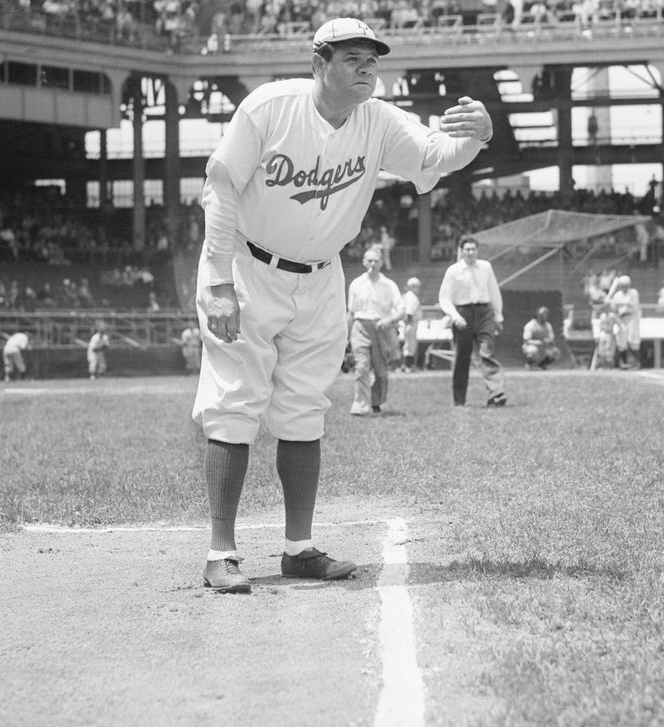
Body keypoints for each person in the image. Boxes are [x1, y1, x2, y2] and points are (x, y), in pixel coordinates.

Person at [191, 17, 493, 594]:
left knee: (305, 407)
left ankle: (298, 549)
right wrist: (217, 280)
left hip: (324, 276)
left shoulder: (377, 118)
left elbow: (433, 154)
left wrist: (478, 136)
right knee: (233, 403)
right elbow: (221, 184)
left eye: (372, 59)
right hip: (250, 269)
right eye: (352, 58)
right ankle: (221, 552)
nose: (367, 69)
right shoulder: (269, 108)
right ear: (319, 63)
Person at [438, 235, 506, 407]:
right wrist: (455, 316)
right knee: (462, 358)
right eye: (467, 249)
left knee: (487, 351)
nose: (470, 252)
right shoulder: (453, 271)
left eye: (473, 249)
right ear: (461, 251)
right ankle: (459, 400)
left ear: (477, 250)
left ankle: (496, 393)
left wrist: (498, 316)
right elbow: (444, 298)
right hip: (463, 314)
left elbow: (494, 291)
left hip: (484, 313)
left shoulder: (486, 267)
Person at [346, 246, 403, 415]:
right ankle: (360, 406)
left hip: (381, 328)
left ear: (381, 263)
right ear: (364, 262)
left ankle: (376, 402)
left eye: (376, 261)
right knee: (362, 367)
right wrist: (346, 336)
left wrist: (389, 320)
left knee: (381, 372)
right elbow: (351, 312)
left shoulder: (389, 285)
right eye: (369, 260)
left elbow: (401, 310)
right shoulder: (356, 284)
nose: (372, 264)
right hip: (360, 327)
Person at [607, 274, 641, 369]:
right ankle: (624, 363)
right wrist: (608, 302)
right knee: (621, 342)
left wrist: (613, 301)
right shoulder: (617, 294)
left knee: (632, 340)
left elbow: (630, 303)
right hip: (621, 319)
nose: (624, 288)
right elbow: (614, 308)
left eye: (626, 286)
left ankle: (636, 363)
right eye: (623, 286)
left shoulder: (634, 293)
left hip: (632, 318)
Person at [399, 276, 422, 372]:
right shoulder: (411, 297)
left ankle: (405, 365)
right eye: (417, 286)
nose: (419, 289)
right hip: (411, 322)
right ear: (412, 286)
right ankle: (408, 366)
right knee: (411, 345)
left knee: (408, 345)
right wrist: (409, 324)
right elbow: (409, 312)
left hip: (408, 323)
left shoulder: (407, 295)